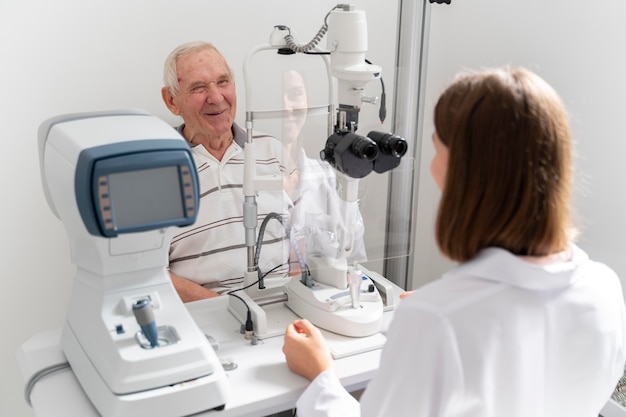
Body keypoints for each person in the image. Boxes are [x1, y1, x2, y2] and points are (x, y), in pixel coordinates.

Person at [282, 66, 626, 417]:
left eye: (437, 148)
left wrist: (321, 376)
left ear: (468, 172)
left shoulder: (435, 322)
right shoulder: (605, 289)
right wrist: (448, 307)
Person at [161, 41, 294, 302]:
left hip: (283, 309)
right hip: (205, 318)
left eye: (223, 82)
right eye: (199, 87)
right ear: (172, 101)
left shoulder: (273, 152)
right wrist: (229, 308)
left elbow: (308, 237)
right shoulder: (155, 172)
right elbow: (148, 274)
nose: (216, 97)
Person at [280, 69, 366, 265]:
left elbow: (354, 261)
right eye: (278, 96)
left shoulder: (329, 178)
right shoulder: (246, 180)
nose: (287, 108)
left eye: (295, 94)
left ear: (308, 102)